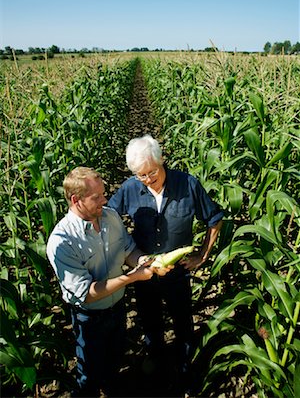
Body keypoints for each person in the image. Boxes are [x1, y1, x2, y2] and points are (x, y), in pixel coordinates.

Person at [108, 135, 224, 391]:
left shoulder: (187, 184)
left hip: (177, 273)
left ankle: (186, 371)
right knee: (150, 323)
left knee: (183, 323)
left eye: (152, 172)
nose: (148, 179)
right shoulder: (129, 188)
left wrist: (202, 255)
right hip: (144, 271)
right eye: (141, 175)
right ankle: (157, 370)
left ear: (162, 160)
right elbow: (108, 219)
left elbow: (214, 218)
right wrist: (126, 255)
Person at [46, 166, 170, 398]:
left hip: (117, 308)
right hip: (89, 318)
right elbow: (87, 293)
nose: (105, 199)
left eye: (104, 193)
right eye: (97, 197)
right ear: (76, 200)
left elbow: (127, 250)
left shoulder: (110, 216)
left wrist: (146, 261)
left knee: (114, 360)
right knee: (89, 374)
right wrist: (133, 276)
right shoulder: (63, 242)